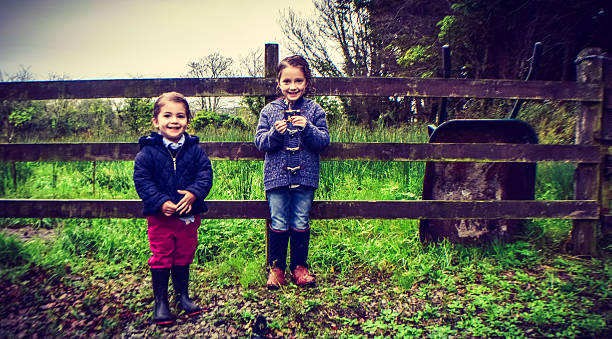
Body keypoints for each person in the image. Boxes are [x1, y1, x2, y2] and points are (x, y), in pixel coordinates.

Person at [133, 91, 213, 325]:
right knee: (162, 255)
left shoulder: (195, 150)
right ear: (156, 121)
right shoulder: (147, 152)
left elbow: (205, 175)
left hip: (188, 217)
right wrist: (159, 202)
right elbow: (143, 181)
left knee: (184, 253)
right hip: (161, 218)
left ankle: (183, 296)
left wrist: (194, 193)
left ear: (187, 120)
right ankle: (161, 302)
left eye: (180, 116)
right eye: (167, 115)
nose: (174, 121)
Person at [254, 55, 330, 288]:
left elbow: (323, 141)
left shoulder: (314, 110)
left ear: (306, 82)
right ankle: (276, 269)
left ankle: (299, 267)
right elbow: (260, 142)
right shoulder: (269, 111)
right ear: (279, 83)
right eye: (287, 81)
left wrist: (307, 128)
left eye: (298, 81)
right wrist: (275, 134)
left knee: (300, 219)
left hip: (305, 177)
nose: (293, 86)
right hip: (276, 179)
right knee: (278, 221)